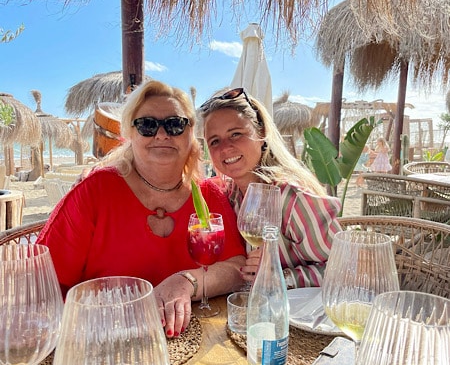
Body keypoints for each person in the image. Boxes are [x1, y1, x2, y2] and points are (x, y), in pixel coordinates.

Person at [37, 80, 246, 337]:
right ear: (130, 133)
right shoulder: (95, 192)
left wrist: (186, 281)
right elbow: (41, 280)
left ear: (191, 133)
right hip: (100, 337)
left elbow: (237, 267)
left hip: (189, 339)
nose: (161, 134)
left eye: (175, 124)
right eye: (147, 125)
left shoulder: (207, 196)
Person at [199, 87, 342, 288]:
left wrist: (278, 276)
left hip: (302, 315)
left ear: (262, 132)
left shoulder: (291, 198)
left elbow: (345, 268)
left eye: (236, 134)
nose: (224, 148)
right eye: (214, 141)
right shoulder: (231, 196)